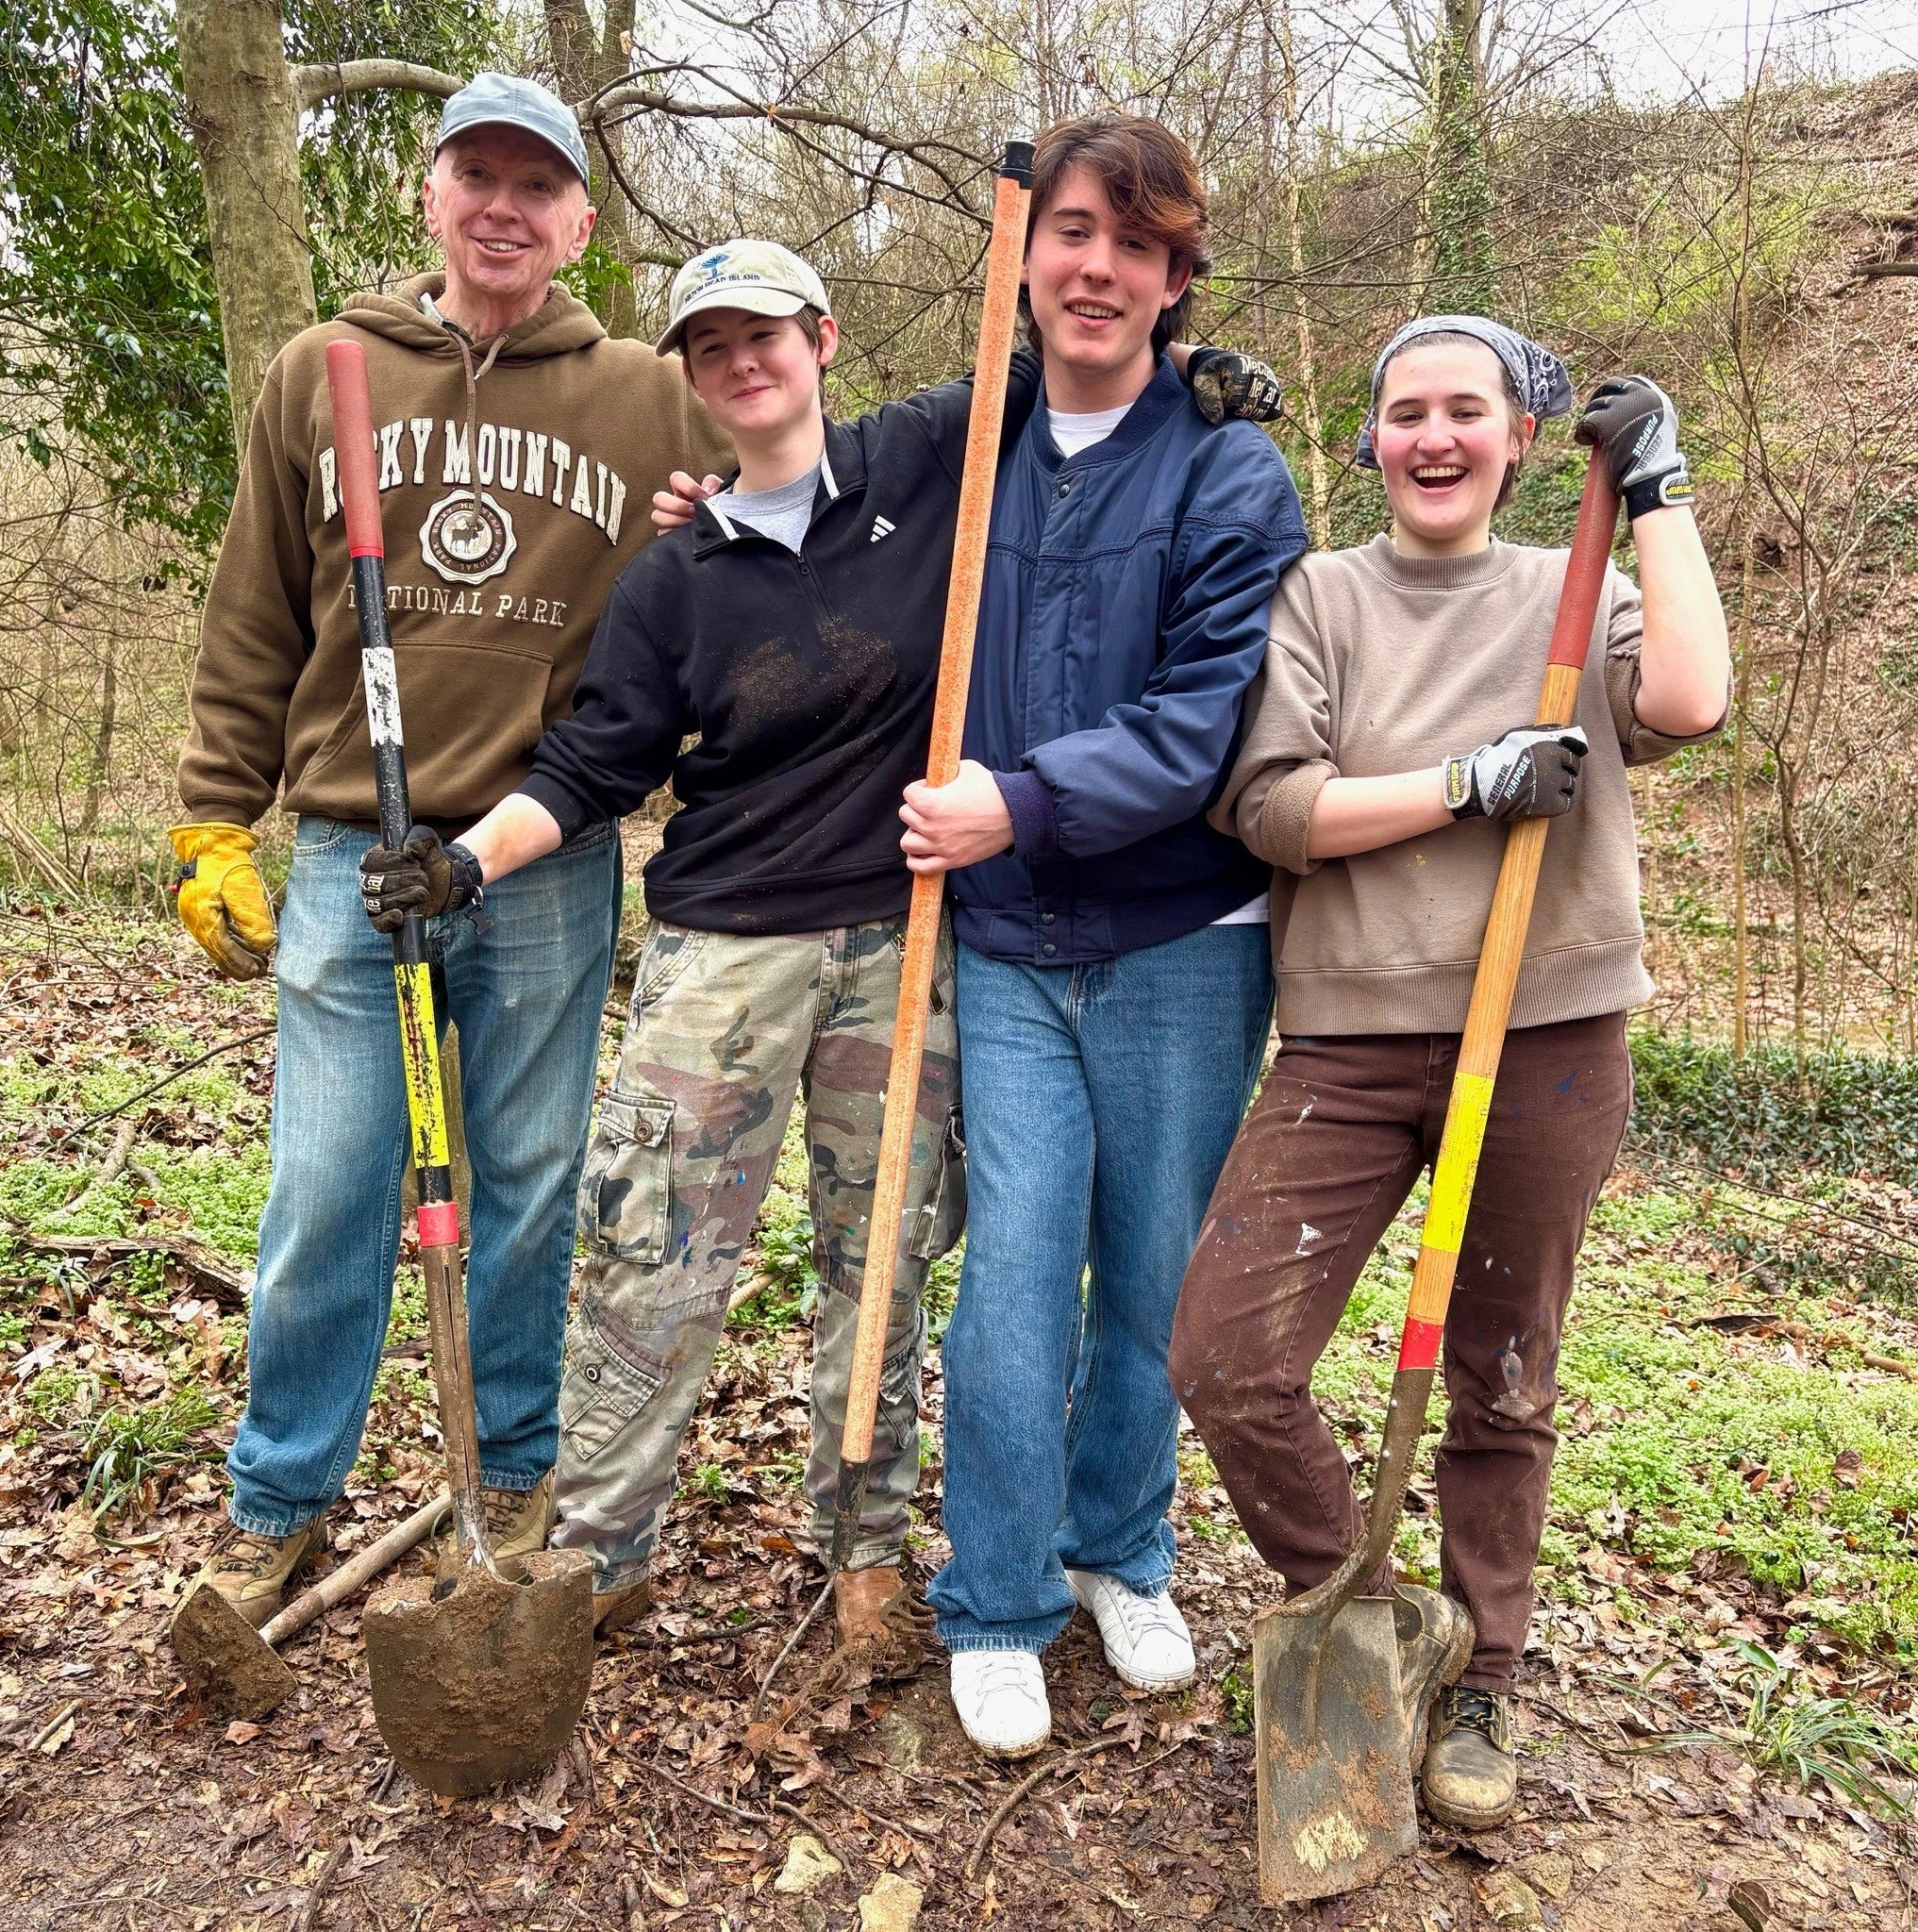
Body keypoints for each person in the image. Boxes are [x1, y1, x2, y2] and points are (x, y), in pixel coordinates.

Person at [356, 239, 1287, 1643]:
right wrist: (465, 862)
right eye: (712, 344)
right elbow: (597, 760)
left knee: (885, 1264)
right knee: (649, 1252)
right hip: (721, 953)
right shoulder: (672, 573)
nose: (744, 359)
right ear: (692, 378)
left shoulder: (917, 460)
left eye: (767, 332)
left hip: (899, 944)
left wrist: (1200, 377)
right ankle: (600, 1555)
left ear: (823, 337)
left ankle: (863, 1547)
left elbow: (1062, 356)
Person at [168, 73, 732, 1640]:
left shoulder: (643, 398)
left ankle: (517, 1480)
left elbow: (815, 476)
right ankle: (282, 1498)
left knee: (532, 1184)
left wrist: (718, 515)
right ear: (430, 192)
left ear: (579, 222)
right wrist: (219, 812)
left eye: (536, 186)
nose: (503, 207)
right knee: (328, 1184)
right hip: (358, 845)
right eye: (475, 175)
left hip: (540, 859)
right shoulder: (321, 369)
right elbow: (253, 615)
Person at [1169, 316, 1729, 1829]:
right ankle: (1357, 1609)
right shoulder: (1321, 598)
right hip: (1348, 1037)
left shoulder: (1580, 589)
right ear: (1370, 439)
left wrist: (1662, 492)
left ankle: (1486, 1670)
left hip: (1548, 1037)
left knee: (1503, 1370)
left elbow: (1687, 703)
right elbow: (1272, 808)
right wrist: (1465, 783)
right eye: (1405, 410)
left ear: (1516, 438)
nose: (1434, 436)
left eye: (1464, 411)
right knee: (1225, 1354)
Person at [896, 113, 1309, 1757]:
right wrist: (712, 496)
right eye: (1070, 230)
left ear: (1174, 279)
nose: (1096, 265)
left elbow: (1212, 714)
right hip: (998, 942)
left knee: (1150, 1279)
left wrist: (1021, 796)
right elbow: (816, 498)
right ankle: (994, 1599)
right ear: (1025, 255)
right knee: (1009, 1279)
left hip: (1182, 943)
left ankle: (1117, 1549)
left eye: (1134, 244)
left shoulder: (1229, 465)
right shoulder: (964, 444)